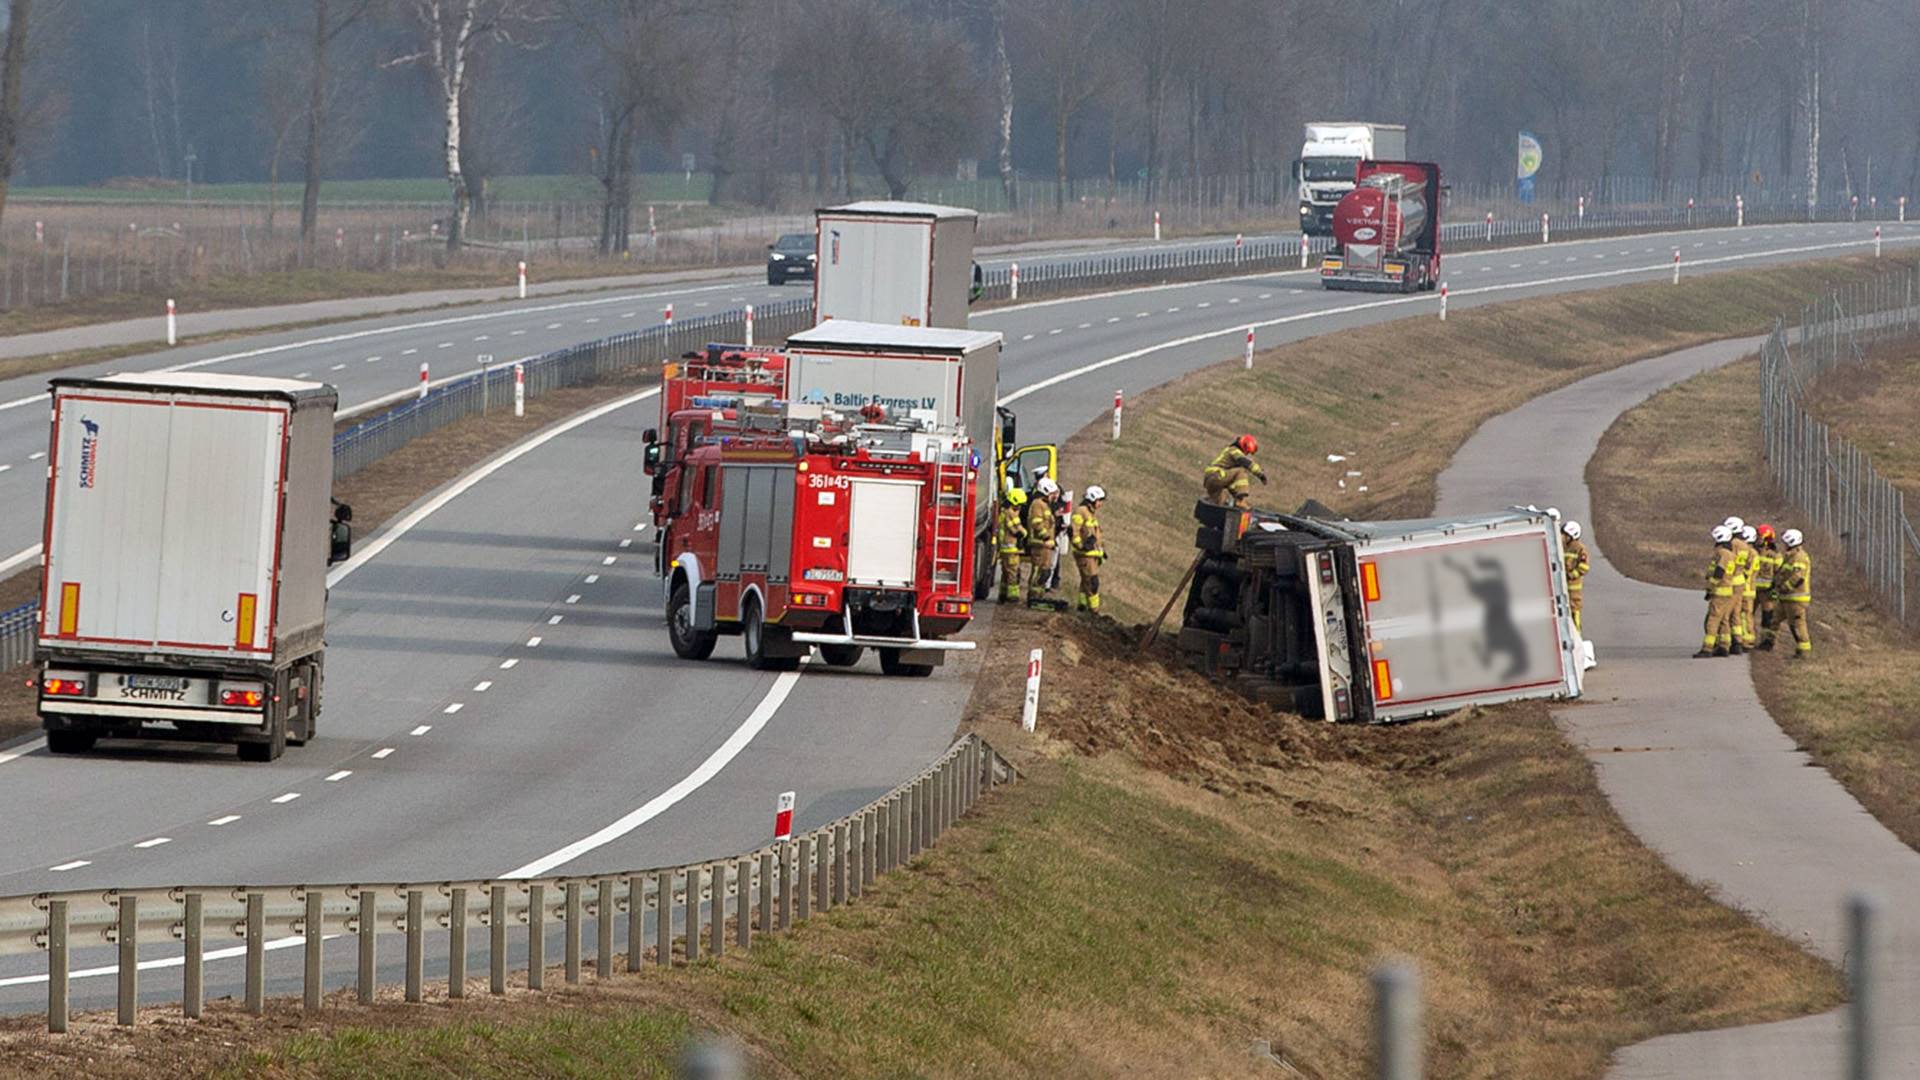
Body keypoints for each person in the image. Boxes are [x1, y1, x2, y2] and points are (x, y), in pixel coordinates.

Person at [1696, 524, 1738, 658]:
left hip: (1720, 591)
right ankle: (1724, 646)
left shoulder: (1723, 554)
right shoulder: (1730, 554)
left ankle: (1707, 648)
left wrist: (1710, 588)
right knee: (1724, 619)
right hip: (1727, 591)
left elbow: (1719, 573)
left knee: (1712, 620)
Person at [1776, 528, 1813, 658]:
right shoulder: (1790, 556)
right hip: (1787, 597)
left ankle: (1804, 652)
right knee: (1774, 620)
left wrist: (1784, 587)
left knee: (1797, 625)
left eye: (1786, 542)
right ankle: (1767, 643)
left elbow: (1798, 577)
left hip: (1796, 598)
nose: (1784, 545)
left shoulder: (1799, 557)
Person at [1203, 435, 1267, 508]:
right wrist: (1260, 474)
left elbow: (1232, 483)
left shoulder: (1229, 451)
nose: (1247, 455)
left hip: (1210, 480)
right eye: (1248, 452)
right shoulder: (1234, 450)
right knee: (1241, 471)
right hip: (1217, 475)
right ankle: (1240, 501)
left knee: (1219, 506)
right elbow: (1245, 462)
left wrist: (1235, 494)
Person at [1025, 477, 1061, 607]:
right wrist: (1046, 537)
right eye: (1052, 494)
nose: (1054, 497)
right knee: (1038, 570)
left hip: (1046, 545)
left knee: (1045, 571)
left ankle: (1039, 596)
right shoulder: (1037, 504)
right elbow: (1036, 523)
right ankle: (1033, 597)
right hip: (1039, 544)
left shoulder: (1045, 505)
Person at [1071, 485, 1107, 613]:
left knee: (1085, 581)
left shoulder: (1090, 513)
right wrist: (1081, 546)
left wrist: (1101, 550)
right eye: (1100, 501)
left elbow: (1094, 535)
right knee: (1092, 582)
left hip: (1091, 554)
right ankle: (1094, 611)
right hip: (1084, 554)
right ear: (1093, 499)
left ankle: (1082, 606)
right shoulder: (1081, 511)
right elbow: (1074, 531)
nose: (1101, 504)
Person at [1723, 516, 1752, 654]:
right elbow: (1749, 564)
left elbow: (1728, 561)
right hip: (1741, 580)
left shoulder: (1732, 544)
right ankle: (1738, 642)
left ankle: (1724, 643)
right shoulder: (1745, 546)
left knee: (1725, 613)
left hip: (1731, 581)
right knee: (1736, 613)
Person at [995, 488, 1029, 603]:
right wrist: (1025, 533)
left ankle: (1003, 594)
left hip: (1005, 548)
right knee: (1013, 573)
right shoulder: (1011, 513)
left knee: (1006, 573)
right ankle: (1012, 596)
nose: (1020, 507)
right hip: (1011, 548)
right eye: (1019, 505)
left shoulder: (1004, 511)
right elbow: (1018, 529)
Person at [1753, 524, 1782, 649]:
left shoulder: (1775, 555)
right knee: (1746, 614)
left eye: (1759, 536)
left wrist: (1775, 589)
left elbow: (1780, 574)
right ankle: (1745, 639)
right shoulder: (1753, 551)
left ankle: (1767, 642)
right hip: (1752, 590)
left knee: (1768, 617)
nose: (1757, 539)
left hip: (1767, 592)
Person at [1560, 520, 1589, 631]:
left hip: (1573, 590)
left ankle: (1577, 637)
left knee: (1574, 613)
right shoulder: (1562, 547)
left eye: (1566, 535)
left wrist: (1571, 575)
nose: (1563, 537)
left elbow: (1584, 567)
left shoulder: (1580, 549)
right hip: (1562, 586)